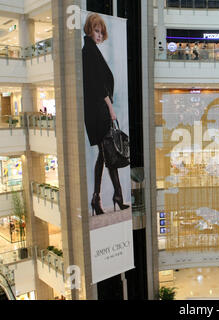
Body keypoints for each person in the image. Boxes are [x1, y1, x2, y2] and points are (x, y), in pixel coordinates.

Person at [82, 13, 130, 216]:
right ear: (89, 30)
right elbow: (98, 85)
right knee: (106, 153)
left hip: (97, 109)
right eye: (96, 30)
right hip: (98, 110)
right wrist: (111, 108)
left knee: (105, 154)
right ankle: (106, 197)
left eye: (101, 31)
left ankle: (107, 196)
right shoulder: (89, 52)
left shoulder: (91, 50)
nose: (99, 35)